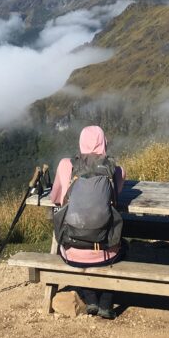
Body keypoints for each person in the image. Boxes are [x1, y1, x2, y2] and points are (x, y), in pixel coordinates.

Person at [50, 125, 125, 319]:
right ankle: (106, 303)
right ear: (104, 143)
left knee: (76, 245)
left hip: (71, 250)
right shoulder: (116, 170)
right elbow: (115, 197)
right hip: (105, 251)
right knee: (124, 247)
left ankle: (91, 299)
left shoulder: (66, 165)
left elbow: (56, 198)